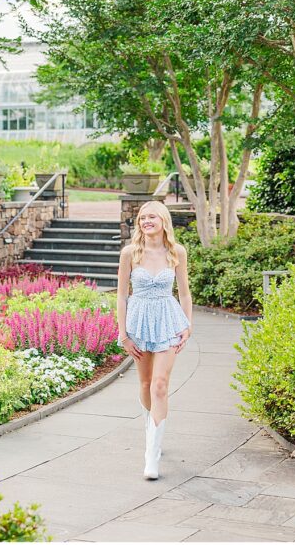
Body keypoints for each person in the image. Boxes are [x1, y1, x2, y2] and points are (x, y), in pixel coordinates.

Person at [115, 200, 192, 480]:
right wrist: (123, 334)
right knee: (145, 383)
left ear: (163, 221)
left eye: (152, 217)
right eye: (142, 217)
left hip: (169, 322)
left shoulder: (176, 252)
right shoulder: (129, 253)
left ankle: (152, 455)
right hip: (139, 323)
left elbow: (184, 293)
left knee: (160, 385)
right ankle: (151, 430)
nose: (146, 221)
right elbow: (122, 296)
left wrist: (188, 325)